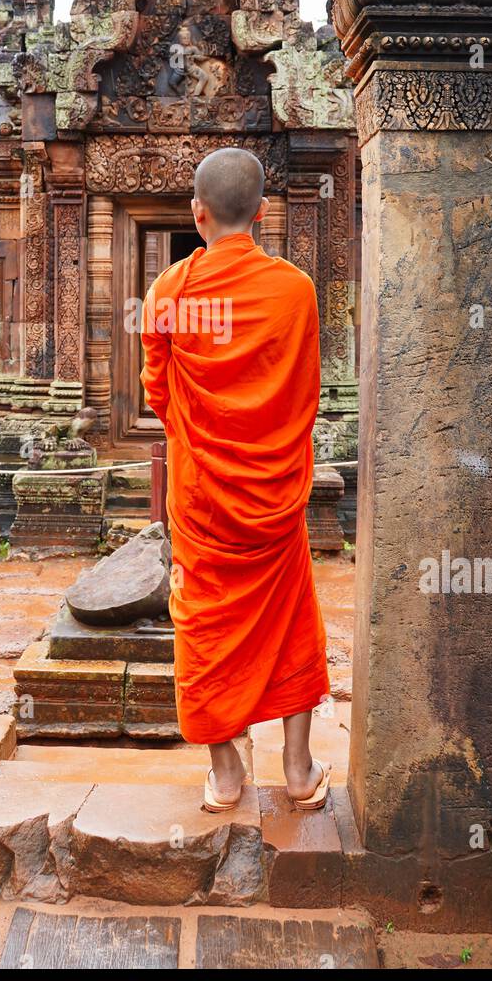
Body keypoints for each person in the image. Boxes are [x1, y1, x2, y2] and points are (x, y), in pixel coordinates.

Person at [140, 147, 331, 812]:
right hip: (275, 493)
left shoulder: (167, 295)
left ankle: (226, 776)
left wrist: (204, 430)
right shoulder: (296, 291)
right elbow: (304, 390)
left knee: (204, 623)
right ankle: (300, 770)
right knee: (292, 618)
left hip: (203, 499)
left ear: (198, 215)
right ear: (262, 212)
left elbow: (158, 395)